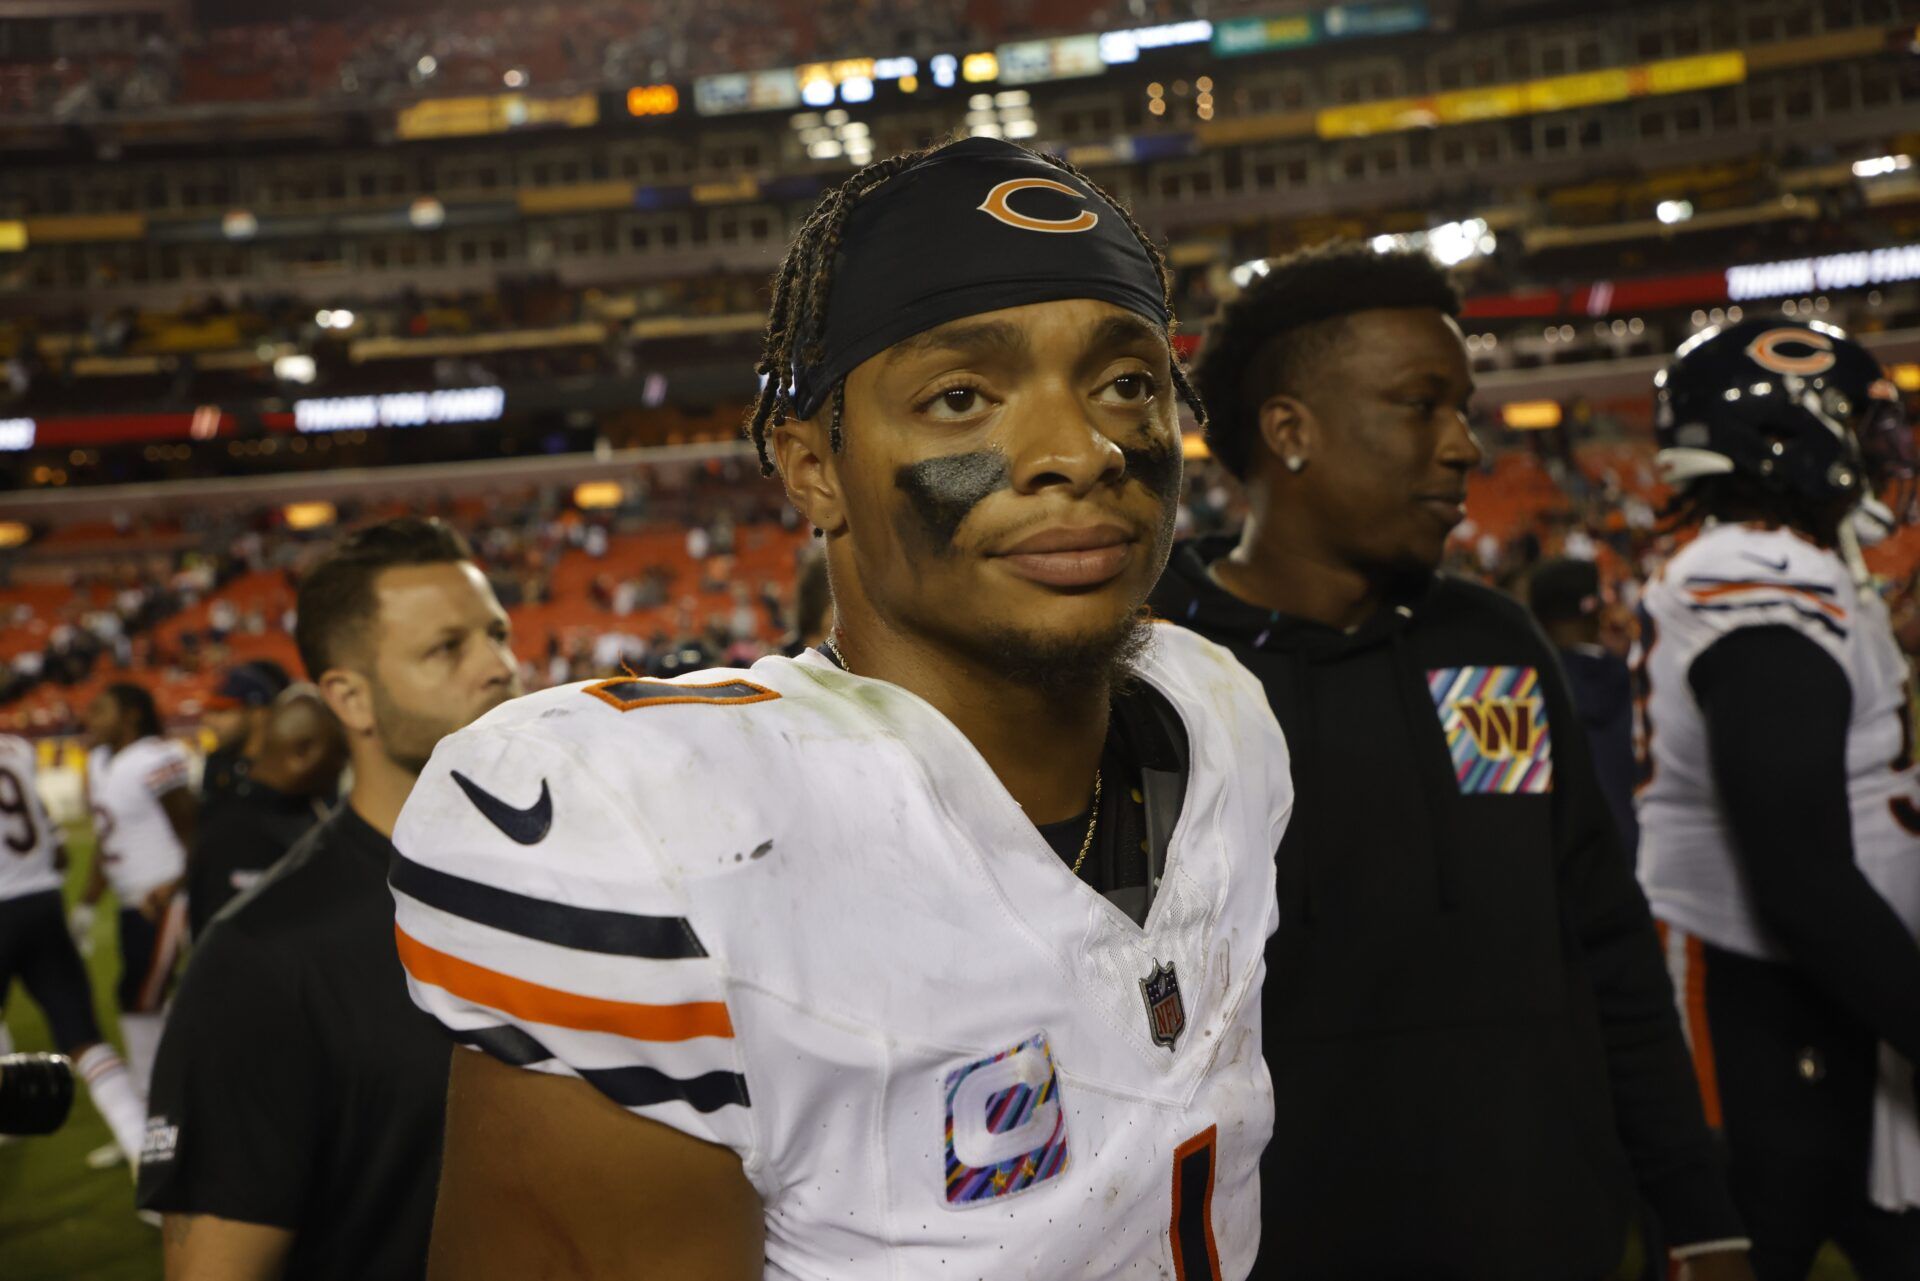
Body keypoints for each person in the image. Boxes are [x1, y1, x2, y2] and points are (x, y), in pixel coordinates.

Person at [393, 136, 1291, 1279]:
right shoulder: (658, 835)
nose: (1081, 451)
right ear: (813, 466)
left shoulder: (1223, 719)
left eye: (1128, 384)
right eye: (961, 398)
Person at [1148, 241, 1751, 1281]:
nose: (1465, 446)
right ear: (1289, 431)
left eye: (1462, 407)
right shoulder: (1156, 679)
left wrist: (1696, 1212)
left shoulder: (1494, 651)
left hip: (1544, 1230)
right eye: (1422, 404)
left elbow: (1602, 938)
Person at [137, 517, 521, 1280]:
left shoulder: (590, 880)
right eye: (448, 648)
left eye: (497, 633)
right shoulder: (262, 959)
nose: (501, 666)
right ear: (350, 697)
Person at [1636, 317, 1920, 1279]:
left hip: (1810, 993)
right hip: (1748, 994)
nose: (1881, 456)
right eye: (1863, 428)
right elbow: (1799, 871)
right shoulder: (1754, 571)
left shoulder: (1785, 564)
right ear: (1791, 432)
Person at [0, 732, 149, 1165]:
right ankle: (143, 1151)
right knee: (82, 1037)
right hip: (42, 901)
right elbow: (56, 845)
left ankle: (10, 1114)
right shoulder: (18, 747)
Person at [75, 681, 195, 1133]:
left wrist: (174, 884)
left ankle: (151, 1113)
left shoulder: (152, 757)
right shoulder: (102, 762)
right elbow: (109, 844)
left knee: (139, 998)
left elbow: (193, 828)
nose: (91, 719)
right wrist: (88, 903)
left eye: (101, 709)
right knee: (144, 999)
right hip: (131, 902)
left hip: (160, 900)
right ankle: (160, 1106)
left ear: (131, 716)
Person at [184, 685, 345, 939]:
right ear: (303, 752)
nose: (340, 767)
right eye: (338, 753)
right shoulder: (236, 831)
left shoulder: (302, 811)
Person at [1531, 556, 1639, 856]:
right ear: (1596, 614)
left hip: (1557, 860)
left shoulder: (1521, 687)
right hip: (1631, 850)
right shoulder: (1632, 676)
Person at [198, 661, 292, 814]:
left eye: (222, 711)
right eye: (210, 711)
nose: (208, 720)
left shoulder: (289, 770)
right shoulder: (217, 762)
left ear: (258, 714)